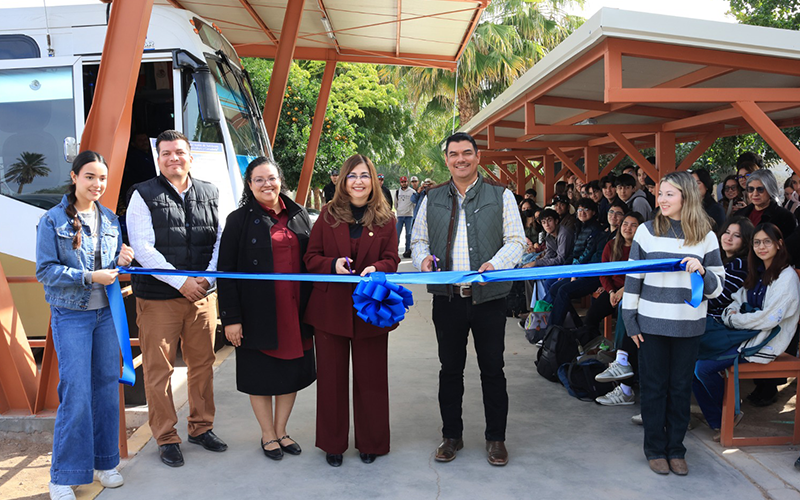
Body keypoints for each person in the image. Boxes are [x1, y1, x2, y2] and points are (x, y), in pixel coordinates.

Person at [411, 132, 525, 467]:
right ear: (446, 160)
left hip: (489, 299)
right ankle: (451, 436)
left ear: (477, 157)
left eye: (466, 153)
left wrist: (496, 265)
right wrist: (423, 260)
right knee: (450, 370)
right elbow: (418, 240)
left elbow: (517, 241)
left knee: (493, 369)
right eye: (453, 154)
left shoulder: (501, 195)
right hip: (448, 300)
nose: (460, 159)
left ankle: (496, 439)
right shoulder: (431, 198)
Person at [36, 151, 134, 500]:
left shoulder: (110, 219)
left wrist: (121, 259)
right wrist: (89, 277)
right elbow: (45, 271)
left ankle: (105, 463)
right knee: (75, 393)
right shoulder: (52, 220)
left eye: (102, 178)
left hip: (106, 313)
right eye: (90, 176)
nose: (97, 184)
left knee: (106, 388)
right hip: (71, 315)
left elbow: (110, 266)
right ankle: (63, 476)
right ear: (75, 177)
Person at [127, 130, 227, 468]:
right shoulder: (142, 194)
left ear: (190, 157)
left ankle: (201, 427)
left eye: (179, 152)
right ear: (158, 158)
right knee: (159, 371)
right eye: (166, 153)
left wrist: (208, 278)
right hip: (158, 299)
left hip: (202, 295)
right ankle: (166, 436)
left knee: (203, 365)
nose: (174, 158)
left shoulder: (211, 192)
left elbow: (220, 240)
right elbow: (142, 247)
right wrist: (181, 282)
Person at [621, 170, 724, 476]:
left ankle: (676, 449)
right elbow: (633, 278)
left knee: (680, 388)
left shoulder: (706, 235)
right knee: (653, 387)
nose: (662, 199)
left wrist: (702, 271)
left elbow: (718, 287)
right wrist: (630, 319)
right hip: (651, 325)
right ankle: (655, 449)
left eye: (669, 194)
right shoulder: (646, 231)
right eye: (660, 193)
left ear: (686, 196)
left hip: (688, 326)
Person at [304, 154, 400, 467]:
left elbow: (392, 259)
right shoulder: (328, 215)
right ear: (343, 181)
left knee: (371, 379)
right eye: (352, 176)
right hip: (330, 310)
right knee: (331, 380)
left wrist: (377, 267)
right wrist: (332, 264)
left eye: (364, 175)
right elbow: (311, 257)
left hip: (371, 309)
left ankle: (372, 442)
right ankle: (333, 444)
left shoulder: (386, 219)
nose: (358, 181)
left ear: (374, 181)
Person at [217, 158, 315, 461]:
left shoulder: (298, 214)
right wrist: (231, 318)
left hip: (295, 311)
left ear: (280, 180)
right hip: (256, 312)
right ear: (249, 185)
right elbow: (226, 272)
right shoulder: (238, 220)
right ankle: (267, 434)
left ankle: (282, 430)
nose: (266, 184)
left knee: (290, 373)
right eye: (258, 179)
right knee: (260, 375)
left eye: (271, 178)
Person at [694, 223, 799, 442]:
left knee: (703, 368)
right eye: (757, 242)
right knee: (692, 363)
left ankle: (729, 415)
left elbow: (769, 318)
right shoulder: (759, 271)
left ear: (779, 244)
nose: (761, 247)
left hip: (764, 342)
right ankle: (719, 421)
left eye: (767, 242)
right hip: (744, 335)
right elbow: (737, 299)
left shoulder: (786, 277)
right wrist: (732, 315)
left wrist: (735, 319)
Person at [593, 212, 645, 407]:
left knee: (626, 311)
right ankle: (596, 355)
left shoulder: (643, 248)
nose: (628, 228)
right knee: (591, 316)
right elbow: (604, 273)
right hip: (614, 292)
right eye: (625, 224)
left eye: (633, 225)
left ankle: (621, 360)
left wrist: (624, 291)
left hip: (634, 295)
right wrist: (611, 292)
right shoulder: (612, 245)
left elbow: (640, 276)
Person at [734, 169, 796, 238]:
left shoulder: (785, 217)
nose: (755, 194)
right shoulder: (739, 214)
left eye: (760, 189)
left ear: (770, 190)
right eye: (751, 189)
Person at [395, 175, 416, 258]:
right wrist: (399, 210)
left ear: (408, 182)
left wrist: (411, 212)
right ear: (400, 183)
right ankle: (394, 251)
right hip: (400, 216)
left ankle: (408, 251)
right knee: (397, 234)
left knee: (408, 234)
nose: (404, 183)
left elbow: (414, 204)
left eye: (405, 182)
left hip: (409, 216)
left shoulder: (412, 192)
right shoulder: (397, 192)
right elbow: (395, 203)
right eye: (402, 182)